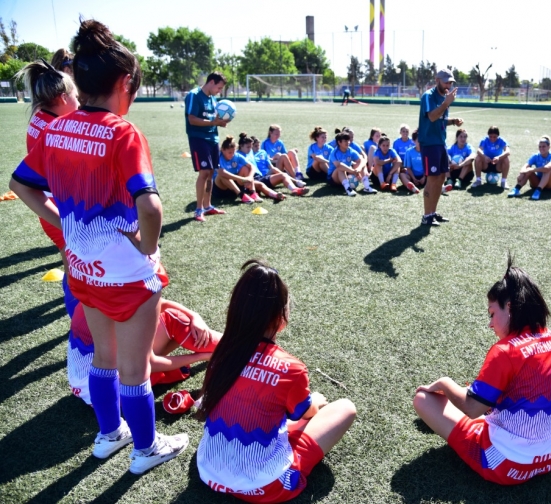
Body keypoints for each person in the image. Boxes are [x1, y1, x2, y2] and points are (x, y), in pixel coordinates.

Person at [10, 18, 188, 474]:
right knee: (135, 370)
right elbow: (150, 206)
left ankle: (109, 436)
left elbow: (21, 184)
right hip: (127, 274)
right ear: (125, 82)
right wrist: (148, 248)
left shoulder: (57, 129)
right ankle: (145, 450)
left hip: (82, 268)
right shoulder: (123, 133)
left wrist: (63, 226)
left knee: (103, 360)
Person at [197, 260, 357, 503]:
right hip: (266, 487)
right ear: (281, 316)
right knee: (345, 407)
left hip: (208, 472)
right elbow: (304, 414)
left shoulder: (222, 352)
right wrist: (315, 401)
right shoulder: (290, 368)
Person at [413, 256, 551, 485]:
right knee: (491, 397)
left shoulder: (505, 350)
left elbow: (472, 409)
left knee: (423, 399)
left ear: (509, 307)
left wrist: (445, 383)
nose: (490, 323)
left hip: (507, 465)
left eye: (491, 313)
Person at [16, 59, 80, 317]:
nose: (79, 101)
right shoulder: (54, 128)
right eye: (76, 95)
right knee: (77, 271)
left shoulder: (41, 117)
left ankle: (76, 316)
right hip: (55, 208)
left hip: (51, 206)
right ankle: (79, 323)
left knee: (72, 265)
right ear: (63, 98)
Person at [69, 297, 222, 405]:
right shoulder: (120, 312)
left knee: (164, 317)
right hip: (116, 395)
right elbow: (151, 363)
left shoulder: (99, 293)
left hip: (89, 387)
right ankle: (238, 347)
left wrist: (195, 315)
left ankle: (232, 346)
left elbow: (160, 304)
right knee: (173, 320)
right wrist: (201, 357)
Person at [417, 68, 464, 226]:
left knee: (442, 178)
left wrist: (452, 121)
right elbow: (431, 117)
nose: (449, 85)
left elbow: (440, 118)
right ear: (437, 80)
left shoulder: (445, 97)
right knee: (432, 179)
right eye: (446, 82)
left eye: (451, 82)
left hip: (440, 143)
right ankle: (426, 216)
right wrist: (446, 103)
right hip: (429, 144)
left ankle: (433, 212)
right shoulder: (428, 96)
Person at [185, 72, 229, 222]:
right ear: (211, 82)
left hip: (213, 138)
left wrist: (221, 122)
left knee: (211, 173)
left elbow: (213, 119)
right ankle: (198, 210)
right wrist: (213, 123)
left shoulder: (213, 99)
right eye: (219, 87)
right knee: (204, 173)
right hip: (198, 138)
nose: (219, 91)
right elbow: (192, 119)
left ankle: (208, 206)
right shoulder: (194, 95)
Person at [240, 134, 306, 197]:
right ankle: (276, 195)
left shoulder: (261, 152)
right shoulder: (244, 155)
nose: (257, 147)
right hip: (257, 178)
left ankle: (295, 188)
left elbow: (270, 165)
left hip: (263, 176)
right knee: (262, 184)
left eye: (258, 145)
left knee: (282, 173)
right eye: (254, 146)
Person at [509, 135, 551, 200]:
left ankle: (538, 191)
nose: (541, 148)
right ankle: (516, 189)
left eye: (544, 146)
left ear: (549, 147)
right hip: (538, 182)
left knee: (547, 170)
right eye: (540, 146)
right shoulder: (535, 156)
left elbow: (547, 168)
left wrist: (532, 169)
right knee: (527, 169)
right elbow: (525, 166)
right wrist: (521, 174)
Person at [328, 131, 375, 197]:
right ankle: (348, 189)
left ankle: (367, 187)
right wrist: (353, 171)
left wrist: (358, 169)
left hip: (347, 172)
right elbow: (338, 165)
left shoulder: (350, 150)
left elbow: (362, 160)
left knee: (361, 164)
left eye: (348, 140)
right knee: (340, 168)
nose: (348, 142)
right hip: (334, 178)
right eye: (345, 141)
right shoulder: (334, 152)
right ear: (339, 142)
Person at [401, 129, 426, 194]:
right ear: (414, 141)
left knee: (435, 175)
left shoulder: (427, 151)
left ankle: (441, 187)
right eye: (418, 140)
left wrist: (424, 177)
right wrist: (414, 178)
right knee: (401, 175)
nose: (421, 142)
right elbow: (408, 168)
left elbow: (428, 166)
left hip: (425, 176)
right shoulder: (409, 151)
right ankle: (412, 187)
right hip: (412, 176)